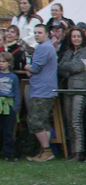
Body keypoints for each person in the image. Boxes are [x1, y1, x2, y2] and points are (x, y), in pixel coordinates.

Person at [57, 25, 86, 161]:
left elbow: (77, 67)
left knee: (76, 120)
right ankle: (72, 151)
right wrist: (69, 67)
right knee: (69, 120)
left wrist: (67, 66)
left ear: (82, 37)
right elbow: (60, 68)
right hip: (67, 88)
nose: (76, 39)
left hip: (80, 88)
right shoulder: (68, 51)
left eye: (78, 36)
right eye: (73, 36)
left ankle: (79, 151)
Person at [24, 24, 59, 162]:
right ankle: (45, 150)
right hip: (44, 88)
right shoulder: (47, 46)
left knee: (34, 120)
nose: (37, 35)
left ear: (46, 34)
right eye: (35, 32)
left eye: (39, 32)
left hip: (43, 90)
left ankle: (46, 150)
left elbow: (36, 68)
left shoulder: (44, 47)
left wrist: (27, 66)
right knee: (43, 121)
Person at [0, 51, 20, 161]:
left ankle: (8, 153)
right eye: (0, 62)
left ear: (9, 63)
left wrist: (16, 107)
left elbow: (16, 92)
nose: (1, 64)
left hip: (9, 105)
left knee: (8, 130)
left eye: (3, 62)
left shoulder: (13, 77)